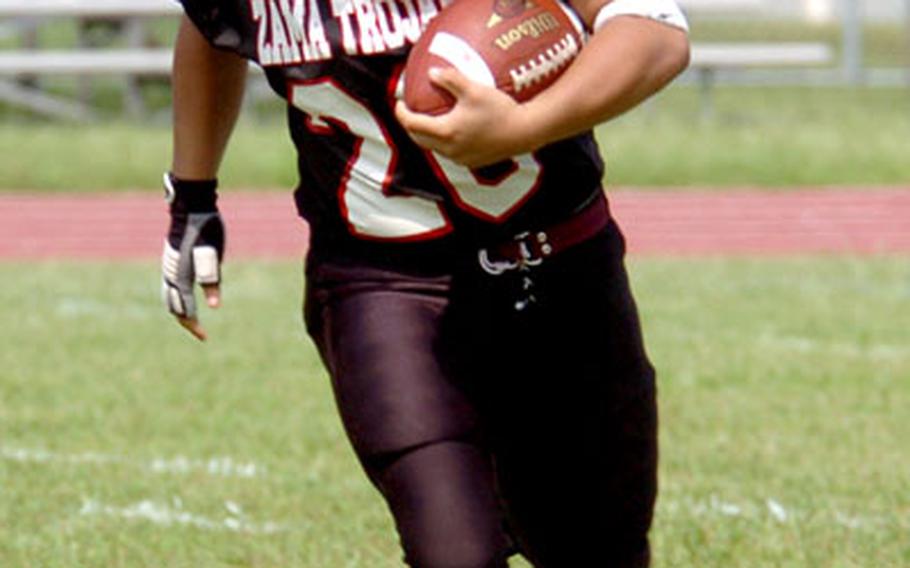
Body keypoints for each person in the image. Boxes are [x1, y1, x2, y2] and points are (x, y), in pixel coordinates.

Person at [161, 0, 689, 565]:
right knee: (455, 554)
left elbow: (656, 30)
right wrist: (193, 198)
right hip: (384, 284)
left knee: (597, 550)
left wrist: (523, 126)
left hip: (559, 267)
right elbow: (210, 26)